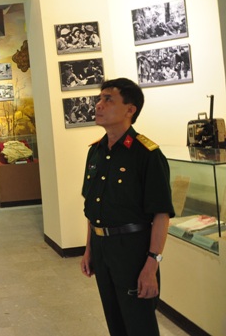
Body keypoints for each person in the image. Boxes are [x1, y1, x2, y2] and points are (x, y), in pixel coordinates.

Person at [80, 77, 175, 336]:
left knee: (140, 325)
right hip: (102, 248)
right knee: (115, 322)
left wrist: (152, 265)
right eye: (99, 98)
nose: (99, 105)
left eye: (108, 99)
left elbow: (161, 214)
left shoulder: (147, 154)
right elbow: (92, 207)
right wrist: (89, 249)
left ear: (130, 110)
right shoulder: (96, 151)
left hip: (133, 251)